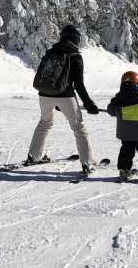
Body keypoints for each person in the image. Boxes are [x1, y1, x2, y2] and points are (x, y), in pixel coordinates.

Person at [26, 24, 100, 174]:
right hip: (65, 96)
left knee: (44, 123)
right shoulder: (75, 56)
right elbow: (79, 85)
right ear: (76, 39)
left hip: (44, 94)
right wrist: (89, 104)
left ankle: (35, 156)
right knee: (78, 127)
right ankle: (88, 163)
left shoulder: (51, 52)